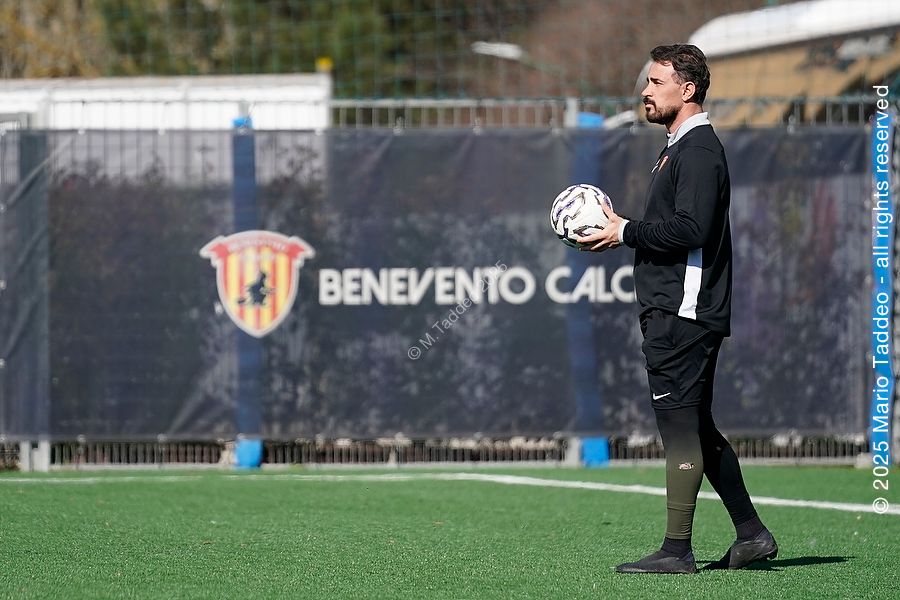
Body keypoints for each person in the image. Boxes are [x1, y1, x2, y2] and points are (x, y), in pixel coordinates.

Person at [577, 44, 777, 574]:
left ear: (687, 90)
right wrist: (626, 230)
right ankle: (752, 535)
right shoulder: (678, 148)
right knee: (698, 428)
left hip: (683, 312)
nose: (646, 91)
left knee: (681, 431)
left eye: (657, 82)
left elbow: (693, 229)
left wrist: (625, 231)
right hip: (675, 309)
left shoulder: (698, 150)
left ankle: (676, 550)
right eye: (648, 81)